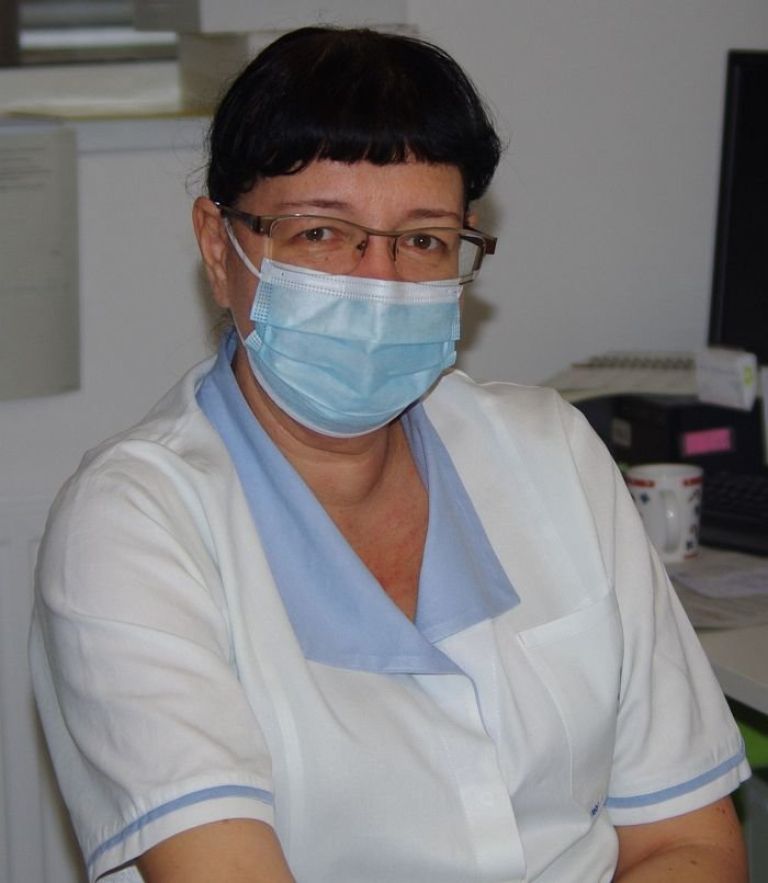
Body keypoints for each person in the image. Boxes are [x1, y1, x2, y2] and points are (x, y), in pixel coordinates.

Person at [29, 25, 749, 883]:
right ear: (220, 248)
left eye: (423, 239)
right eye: (322, 234)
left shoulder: (550, 451)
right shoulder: (132, 527)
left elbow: (690, 842)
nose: (378, 283)